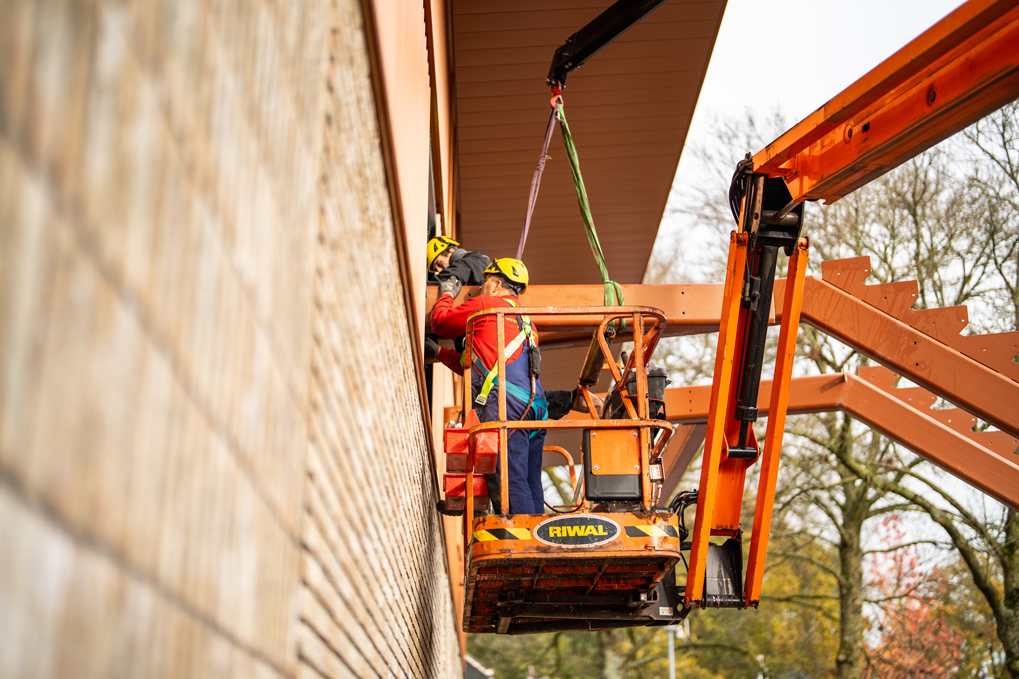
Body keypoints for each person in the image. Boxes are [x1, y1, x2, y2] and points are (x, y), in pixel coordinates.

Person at [429, 258, 547, 515]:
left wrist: (447, 293)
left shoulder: (487, 305)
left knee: (508, 477)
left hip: (509, 402)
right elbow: (474, 365)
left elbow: (440, 321)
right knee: (529, 480)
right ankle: (539, 536)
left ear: (495, 285)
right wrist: (439, 352)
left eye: (484, 284)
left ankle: (526, 550)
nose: (481, 289)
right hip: (535, 406)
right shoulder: (527, 323)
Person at [427, 236, 491, 287]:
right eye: (436, 269)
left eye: (439, 263)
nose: (439, 271)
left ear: (451, 251)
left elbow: (458, 271)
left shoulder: (476, 261)